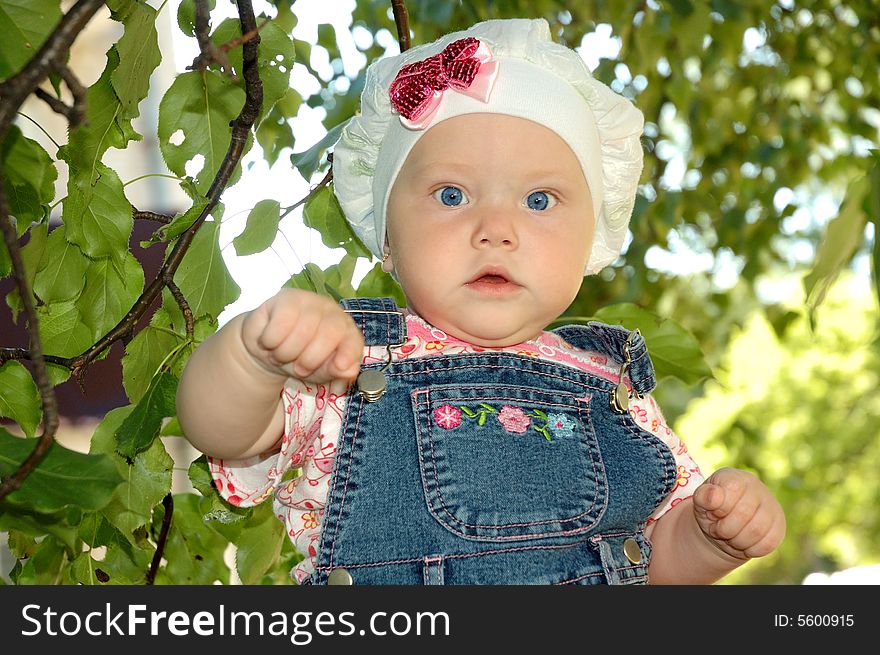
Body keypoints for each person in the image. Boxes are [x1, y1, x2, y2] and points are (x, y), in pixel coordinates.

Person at [176, 18, 785, 585]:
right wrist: (250, 359)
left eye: (539, 201)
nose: (496, 229)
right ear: (387, 240)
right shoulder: (349, 360)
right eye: (451, 195)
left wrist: (712, 541)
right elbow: (226, 432)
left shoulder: (613, 385)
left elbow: (654, 562)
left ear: (590, 244)